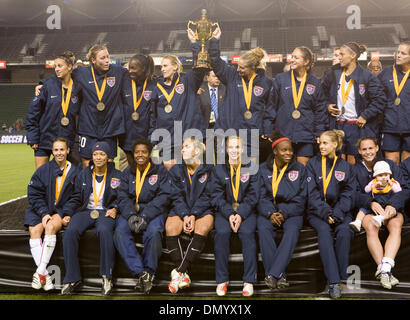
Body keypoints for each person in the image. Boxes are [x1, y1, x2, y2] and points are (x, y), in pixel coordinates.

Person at [35, 45, 129, 168]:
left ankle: (105, 188)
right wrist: (42, 83)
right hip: (88, 128)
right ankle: (87, 187)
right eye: (102, 58)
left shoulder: (118, 72)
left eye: (107, 57)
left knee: (109, 163)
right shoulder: (81, 73)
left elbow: (138, 74)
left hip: (110, 129)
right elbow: (63, 74)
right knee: (86, 163)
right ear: (93, 60)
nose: (107, 60)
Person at [60, 142, 121, 296]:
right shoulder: (84, 174)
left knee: (105, 230)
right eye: (95, 154)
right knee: (70, 231)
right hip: (86, 211)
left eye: (102, 154)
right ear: (92, 157)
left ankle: (107, 276)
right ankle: (72, 278)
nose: (98, 157)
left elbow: (123, 197)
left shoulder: (117, 175)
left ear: (108, 158)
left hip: (105, 211)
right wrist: (67, 213)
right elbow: (75, 197)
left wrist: (115, 208)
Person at [209, 27, 275, 161]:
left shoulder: (266, 83)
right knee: (226, 171)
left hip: (252, 135)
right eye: (238, 66)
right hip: (228, 132)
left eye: (242, 67)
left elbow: (270, 110)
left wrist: (266, 131)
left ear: (253, 68)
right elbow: (215, 62)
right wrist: (215, 41)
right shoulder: (232, 76)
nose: (238, 69)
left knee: (250, 171)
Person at [114, 138, 170, 294]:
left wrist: (145, 215)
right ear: (133, 154)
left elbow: (164, 197)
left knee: (154, 232)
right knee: (119, 232)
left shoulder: (160, 171)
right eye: (137, 152)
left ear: (150, 153)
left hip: (153, 211)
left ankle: (149, 271)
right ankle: (141, 273)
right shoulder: (127, 173)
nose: (140, 155)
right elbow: (122, 196)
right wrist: (131, 215)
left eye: (144, 152)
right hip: (131, 210)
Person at [24, 137, 80, 291]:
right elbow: (34, 194)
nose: (59, 153)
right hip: (41, 207)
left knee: (50, 227)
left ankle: (39, 272)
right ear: (52, 152)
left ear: (68, 150)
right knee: (34, 230)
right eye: (56, 150)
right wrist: (43, 212)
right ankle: (45, 276)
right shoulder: (43, 170)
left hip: (60, 210)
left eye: (62, 149)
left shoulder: (75, 171)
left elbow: (77, 197)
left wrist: (67, 212)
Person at [351, 137, 406, 289]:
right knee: (370, 225)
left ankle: (385, 269)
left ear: (376, 148)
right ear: (359, 151)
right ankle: (385, 273)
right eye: (364, 149)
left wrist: (393, 204)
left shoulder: (389, 165)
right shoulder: (355, 170)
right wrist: (370, 202)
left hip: (391, 208)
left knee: (395, 224)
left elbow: (404, 189)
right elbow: (353, 194)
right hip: (370, 209)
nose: (368, 152)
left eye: (370, 148)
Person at [306, 130, 355, 298]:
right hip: (317, 213)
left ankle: (341, 277)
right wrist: (325, 212)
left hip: (340, 211)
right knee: (325, 233)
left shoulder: (346, 166)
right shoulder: (312, 164)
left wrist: (337, 213)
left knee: (344, 232)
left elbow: (349, 193)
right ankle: (333, 281)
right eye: (320, 143)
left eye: (325, 143)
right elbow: (311, 194)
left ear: (335, 144)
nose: (321, 146)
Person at [149, 30, 207, 170]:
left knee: (191, 174)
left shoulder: (188, 82)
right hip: (166, 139)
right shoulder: (157, 88)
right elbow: (152, 115)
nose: (162, 69)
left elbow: (199, 66)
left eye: (165, 65)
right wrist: (153, 138)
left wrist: (194, 43)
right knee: (170, 176)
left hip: (189, 137)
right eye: (161, 66)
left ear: (175, 66)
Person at [322, 41, 386, 165]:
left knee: (353, 162)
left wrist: (365, 115)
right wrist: (327, 106)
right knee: (337, 161)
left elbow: (380, 99)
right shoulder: (333, 74)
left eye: (342, 54)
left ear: (353, 56)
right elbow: (321, 96)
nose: (339, 57)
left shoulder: (367, 76)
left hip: (356, 127)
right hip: (337, 126)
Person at [257, 131, 307, 290]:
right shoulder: (262, 169)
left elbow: (302, 197)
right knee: (263, 229)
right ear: (275, 151)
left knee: (292, 231)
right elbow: (259, 196)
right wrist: (270, 213)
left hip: (291, 211)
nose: (289, 153)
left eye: (290, 150)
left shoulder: (299, 168)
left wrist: (284, 212)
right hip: (269, 211)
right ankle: (280, 276)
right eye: (284, 150)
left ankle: (272, 274)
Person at [165, 137, 214, 293]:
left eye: (187, 146)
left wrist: (194, 214)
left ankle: (178, 272)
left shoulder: (209, 169)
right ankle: (184, 274)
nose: (182, 149)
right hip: (181, 209)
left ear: (197, 151)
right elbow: (175, 195)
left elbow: (208, 196)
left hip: (202, 209)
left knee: (205, 225)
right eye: (182, 147)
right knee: (170, 227)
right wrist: (186, 214)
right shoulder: (176, 169)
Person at [211, 136, 259, 297]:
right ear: (226, 149)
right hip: (224, 212)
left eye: (237, 147)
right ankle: (222, 281)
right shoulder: (218, 168)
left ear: (243, 149)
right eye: (231, 147)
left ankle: (248, 281)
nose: (234, 150)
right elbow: (216, 196)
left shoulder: (251, 166)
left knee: (247, 234)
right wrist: (230, 214)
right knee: (222, 234)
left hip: (246, 211)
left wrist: (240, 214)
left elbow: (254, 195)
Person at [271, 46, 328, 166]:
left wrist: (319, 132)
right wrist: (270, 131)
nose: (292, 59)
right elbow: (271, 106)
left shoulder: (315, 82)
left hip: (305, 135)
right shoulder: (280, 79)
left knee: (303, 169)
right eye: (292, 57)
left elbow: (320, 110)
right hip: (284, 134)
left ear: (306, 61)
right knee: (284, 170)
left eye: (296, 57)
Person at [26, 52, 80, 169]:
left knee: (69, 177)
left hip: (67, 140)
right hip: (45, 138)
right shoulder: (46, 86)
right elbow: (33, 113)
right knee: (41, 176)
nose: (56, 69)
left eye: (60, 66)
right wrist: (33, 137)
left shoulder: (78, 87)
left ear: (70, 67)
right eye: (55, 66)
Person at [119, 54, 156, 167]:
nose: (130, 71)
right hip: (127, 139)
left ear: (143, 68)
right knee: (130, 171)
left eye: (133, 68)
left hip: (146, 138)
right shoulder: (124, 83)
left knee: (147, 171)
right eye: (129, 68)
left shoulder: (154, 84)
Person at [378, 41, 410, 165]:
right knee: (392, 164)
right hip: (390, 127)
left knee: (408, 166)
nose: (398, 55)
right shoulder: (385, 73)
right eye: (398, 52)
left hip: (409, 127)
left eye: (403, 53)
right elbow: (376, 97)